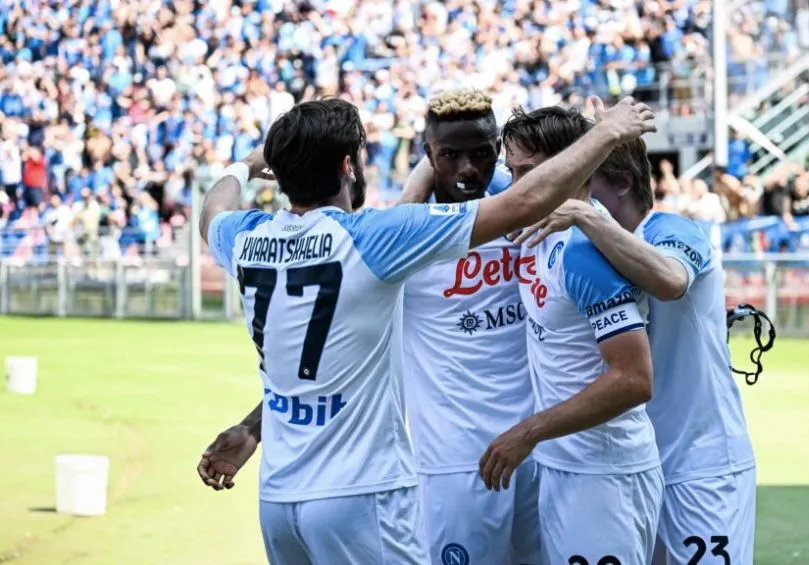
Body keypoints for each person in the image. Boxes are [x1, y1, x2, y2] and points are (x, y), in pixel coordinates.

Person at [195, 95, 656, 564]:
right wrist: (608, 131)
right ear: (349, 166)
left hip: (280, 495)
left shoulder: (247, 239)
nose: (467, 168)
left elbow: (212, 212)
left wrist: (246, 165)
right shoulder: (379, 238)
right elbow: (529, 199)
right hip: (372, 488)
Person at [514, 101, 759, 565]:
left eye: (586, 179)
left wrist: (589, 216)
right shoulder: (580, 250)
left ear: (621, 183)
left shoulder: (674, 230)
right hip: (632, 460)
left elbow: (669, 281)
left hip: (700, 463)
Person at [477, 105, 663, 565]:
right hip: (563, 464)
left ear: (571, 166)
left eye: (530, 171)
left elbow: (634, 379)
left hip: (605, 474)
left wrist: (529, 431)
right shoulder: (535, 221)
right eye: (512, 170)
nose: (517, 184)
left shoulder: (584, 252)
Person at [393, 89, 539, 564]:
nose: (467, 169)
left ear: (498, 150)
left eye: (481, 153)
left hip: (539, 444)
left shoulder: (525, 210)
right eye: (449, 156)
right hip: (455, 458)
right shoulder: (404, 233)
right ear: (428, 154)